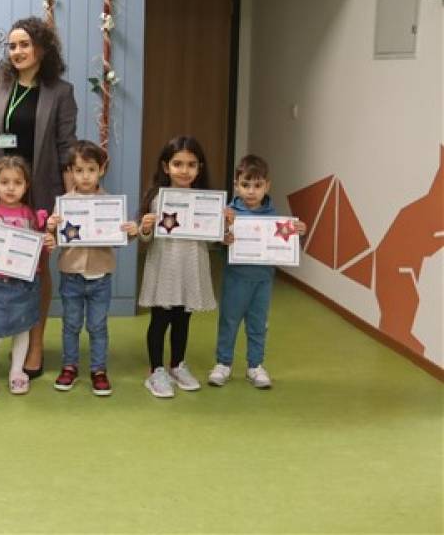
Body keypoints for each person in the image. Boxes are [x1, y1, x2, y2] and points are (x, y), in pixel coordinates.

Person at [0, 16, 78, 379]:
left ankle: (34, 344)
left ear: (42, 48)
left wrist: (70, 199)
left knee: (38, 267)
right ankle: (0, 336)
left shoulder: (60, 92)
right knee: (0, 265)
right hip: (3, 191)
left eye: (24, 44)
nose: (16, 51)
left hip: (43, 192)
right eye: (12, 46)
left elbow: (66, 149)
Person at [45, 141, 138, 396]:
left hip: (101, 276)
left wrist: (131, 233)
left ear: (101, 170)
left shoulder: (111, 204)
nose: (85, 176)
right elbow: (52, 238)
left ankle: (98, 369)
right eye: (79, 170)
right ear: (70, 172)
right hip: (71, 274)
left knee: (98, 325)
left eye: (91, 169)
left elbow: (119, 239)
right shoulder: (63, 203)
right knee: (71, 323)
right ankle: (69, 366)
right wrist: (50, 227)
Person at [210, 155, 307, 389]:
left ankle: (255, 366)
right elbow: (216, 242)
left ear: (267, 186)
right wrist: (223, 236)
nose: (251, 191)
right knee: (229, 322)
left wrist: (298, 231)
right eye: (245, 185)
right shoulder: (229, 214)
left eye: (257, 185)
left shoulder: (275, 218)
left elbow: (284, 246)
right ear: (236, 185)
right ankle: (223, 363)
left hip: (263, 282)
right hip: (236, 280)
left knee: (258, 324)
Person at [0, 156, 54, 396]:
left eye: (17, 182)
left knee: (23, 329)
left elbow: (40, 250)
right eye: (4, 182)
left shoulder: (32, 215)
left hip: (27, 283)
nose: (11, 187)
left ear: (27, 185)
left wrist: (48, 242)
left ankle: (17, 371)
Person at [137, 135, 217, 399]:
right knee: (160, 320)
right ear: (165, 166)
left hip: (191, 265)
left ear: (199, 168)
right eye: (178, 164)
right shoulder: (156, 198)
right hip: (164, 266)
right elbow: (144, 237)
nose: (184, 170)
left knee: (183, 319)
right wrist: (145, 228)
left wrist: (224, 223)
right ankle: (156, 370)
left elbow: (215, 236)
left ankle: (177, 365)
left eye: (191, 164)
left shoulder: (207, 201)